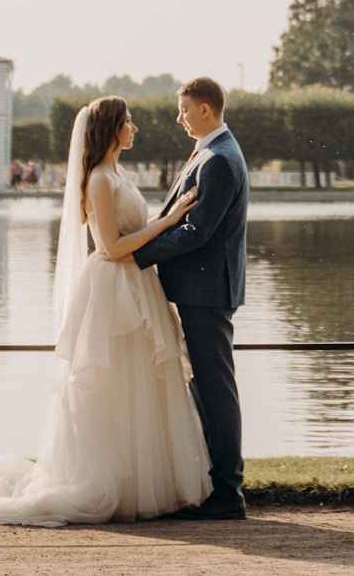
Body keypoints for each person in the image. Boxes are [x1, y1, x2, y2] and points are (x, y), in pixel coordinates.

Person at [0, 95, 208, 526]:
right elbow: (113, 247)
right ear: (111, 128)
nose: (135, 129)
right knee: (113, 385)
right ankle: (111, 481)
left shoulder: (118, 173)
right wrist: (168, 222)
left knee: (141, 385)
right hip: (113, 288)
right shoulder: (99, 178)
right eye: (129, 122)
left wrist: (163, 226)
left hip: (137, 284)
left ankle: (145, 481)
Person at [134, 77, 250, 519]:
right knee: (205, 386)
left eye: (184, 109)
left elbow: (197, 231)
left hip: (207, 290)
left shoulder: (219, 159)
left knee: (215, 389)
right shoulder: (210, 151)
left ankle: (227, 494)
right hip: (200, 289)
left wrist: (138, 255)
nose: (179, 118)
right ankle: (217, 485)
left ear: (205, 109)